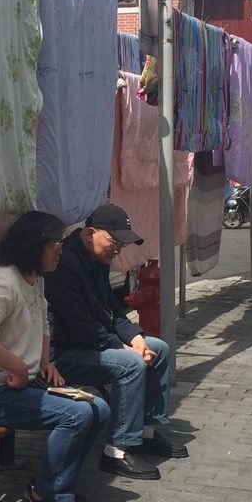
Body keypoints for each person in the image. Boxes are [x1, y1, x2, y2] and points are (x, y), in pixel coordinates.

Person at [0, 210, 112, 502]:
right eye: (55, 244)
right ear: (33, 245)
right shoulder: (4, 282)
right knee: (76, 415)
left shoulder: (36, 279)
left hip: (22, 384)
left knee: (98, 408)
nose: (60, 251)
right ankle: (46, 496)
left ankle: (56, 484)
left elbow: (42, 322)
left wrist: (45, 362)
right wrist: (17, 366)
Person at [44, 203, 183, 481]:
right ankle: (117, 449)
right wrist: (123, 347)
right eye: (114, 242)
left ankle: (145, 432)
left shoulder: (97, 259)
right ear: (91, 233)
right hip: (63, 353)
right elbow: (81, 325)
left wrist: (135, 336)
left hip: (90, 344)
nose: (118, 249)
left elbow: (111, 309)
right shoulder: (65, 263)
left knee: (159, 348)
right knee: (130, 363)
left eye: (122, 244)